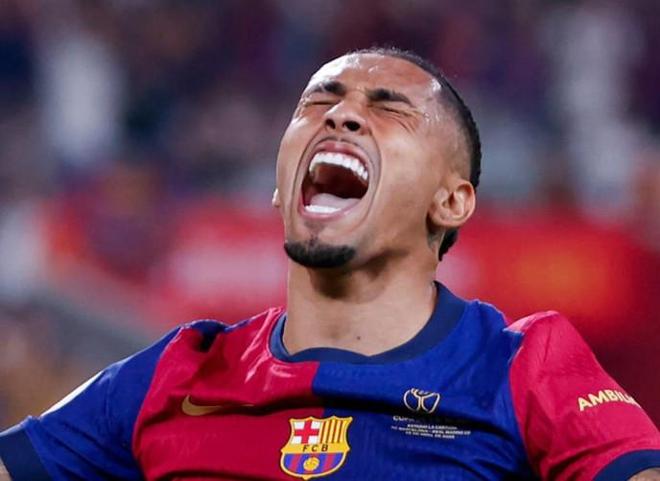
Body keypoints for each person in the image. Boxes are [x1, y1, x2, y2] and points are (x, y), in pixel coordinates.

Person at [0, 47, 659, 481]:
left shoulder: (523, 365)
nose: (341, 115)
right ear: (280, 186)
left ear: (452, 200)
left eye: (388, 107)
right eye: (319, 102)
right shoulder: (175, 372)